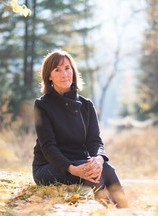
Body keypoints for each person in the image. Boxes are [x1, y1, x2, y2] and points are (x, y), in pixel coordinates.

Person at [32, 50, 129, 208]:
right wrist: (73, 169)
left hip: (82, 163)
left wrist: (98, 158)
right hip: (49, 167)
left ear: (73, 71)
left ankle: (126, 210)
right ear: (49, 76)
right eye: (57, 70)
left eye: (67, 68)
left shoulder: (86, 105)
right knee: (94, 176)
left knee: (107, 169)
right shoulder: (42, 105)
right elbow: (48, 147)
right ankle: (104, 211)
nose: (64, 74)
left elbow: (95, 141)